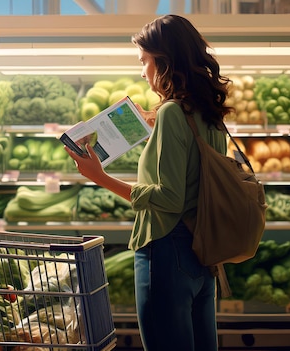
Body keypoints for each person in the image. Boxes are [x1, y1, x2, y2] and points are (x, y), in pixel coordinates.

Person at [64, 14, 232, 351]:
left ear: (164, 60)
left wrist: (101, 178)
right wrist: (154, 131)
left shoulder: (173, 113)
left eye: (145, 60)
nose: (142, 71)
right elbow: (194, 177)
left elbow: (169, 198)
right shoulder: (207, 114)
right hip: (203, 256)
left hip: (166, 251)